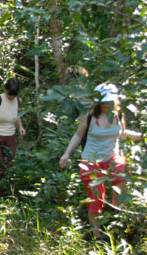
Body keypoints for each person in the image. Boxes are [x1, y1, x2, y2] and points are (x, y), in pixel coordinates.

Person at [59, 83, 142, 231]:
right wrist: (66, 154)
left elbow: (122, 134)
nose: (107, 105)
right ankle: (97, 237)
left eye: (110, 102)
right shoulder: (90, 118)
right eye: (104, 102)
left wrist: (141, 136)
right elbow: (78, 136)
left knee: (122, 182)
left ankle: (116, 218)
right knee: (96, 199)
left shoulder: (118, 116)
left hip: (112, 159)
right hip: (91, 162)